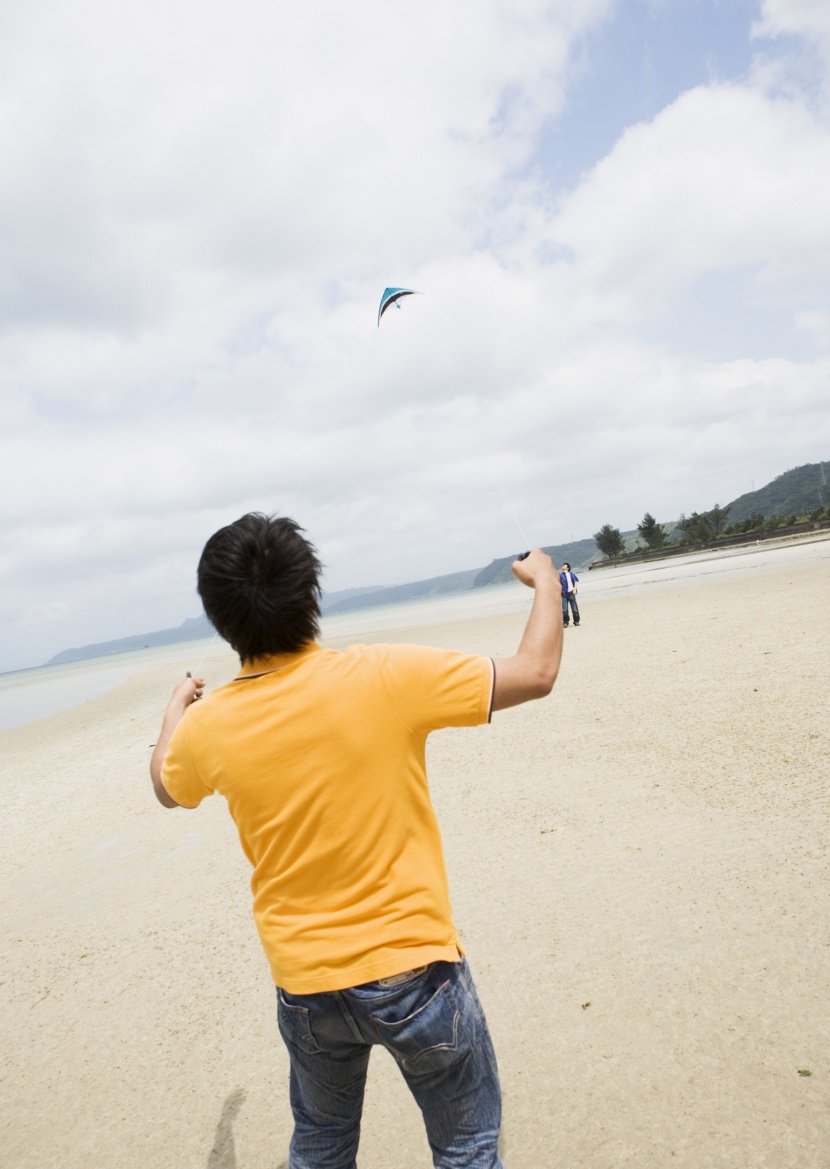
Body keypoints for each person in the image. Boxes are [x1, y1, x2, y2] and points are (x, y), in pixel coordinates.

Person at [150, 514, 563, 1169]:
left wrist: (178, 705)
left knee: (321, 1145)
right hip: (418, 973)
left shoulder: (211, 726)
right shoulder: (382, 674)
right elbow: (535, 672)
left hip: (307, 985)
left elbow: (167, 786)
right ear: (311, 594)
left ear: (220, 618)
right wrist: (545, 580)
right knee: (466, 1146)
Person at [559, 561, 580, 627]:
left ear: (567, 568)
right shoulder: (560, 575)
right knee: (564, 610)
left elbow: (576, 581)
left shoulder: (572, 574)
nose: (563, 566)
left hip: (571, 593)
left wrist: (574, 589)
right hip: (564, 594)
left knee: (574, 609)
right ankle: (566, 622)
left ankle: (576, 621)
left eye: (564, 565)